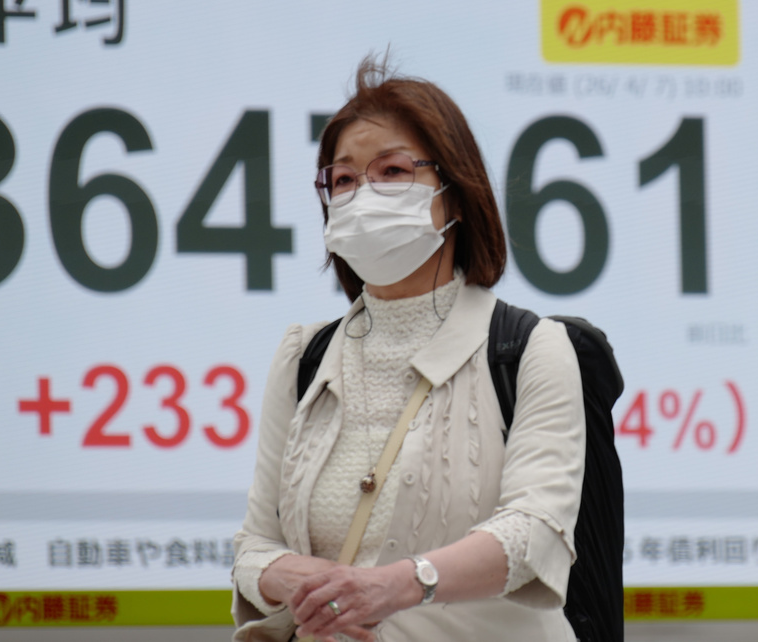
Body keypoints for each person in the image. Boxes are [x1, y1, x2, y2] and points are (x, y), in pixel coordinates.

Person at [231, 58, 585, 642]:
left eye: (391, 171)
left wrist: (399, 583)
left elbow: (537, 531)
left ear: (456, 192)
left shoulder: (529, 349)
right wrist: (295, 577)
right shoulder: (304, 357)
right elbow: (254, 545)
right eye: (342, 180)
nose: (362, 196)